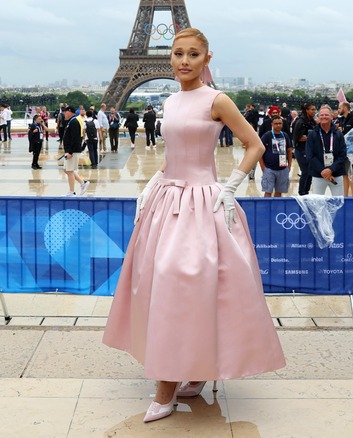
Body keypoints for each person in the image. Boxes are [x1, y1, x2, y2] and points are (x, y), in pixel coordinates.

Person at [102, 27, 285, 424]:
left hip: (203, 203)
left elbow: (255, 144)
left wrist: (231, 186)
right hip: (167, 200)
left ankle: (167, 386)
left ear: (207, 58)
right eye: (178, 53)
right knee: (166, 286)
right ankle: (192, 372)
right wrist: (153, 183)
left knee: (183, 287)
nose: (184, 61)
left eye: (193, 54)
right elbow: (173, 154)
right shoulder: (171, 100)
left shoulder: (217, 99)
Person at [305, 104, 347, 195]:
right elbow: (310, 155)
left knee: (338, 202)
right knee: (318, 204)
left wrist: (331, 169)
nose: (324, 117)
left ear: (332, 117)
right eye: (322, 115)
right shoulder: (312, 134)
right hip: (318, 174)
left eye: (326, 115)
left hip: (336, 174)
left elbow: (342, 155)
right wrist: (323, 171)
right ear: (318, 116)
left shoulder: (338, 134)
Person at [259, 115, 293, 197]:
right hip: (269, 168)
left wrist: (289, 166)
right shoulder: (267, 135)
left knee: (279, 192)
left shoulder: (285, 135)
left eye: (280, 123)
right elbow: (260, 151)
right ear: (272, 124)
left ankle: (276, 209)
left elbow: (289, 150)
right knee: (268, 191)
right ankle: (267, 208)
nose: (278, 125)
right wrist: (263, 167)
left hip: (282, 168)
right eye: (276, 123)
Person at [60, 105, 90, 196]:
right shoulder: (72, 121)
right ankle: (82, 182)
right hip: (70, 150)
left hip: (72, 151)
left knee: (69, 170)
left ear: (69, 112)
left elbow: (75, 138)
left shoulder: (74, 122)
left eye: (65, 112)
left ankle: (72, 191)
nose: (64, 113)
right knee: (67, 169)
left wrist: (70, 152)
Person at [291, 103, 317, 195]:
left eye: (315, 110)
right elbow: (298, 137)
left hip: (310, 150)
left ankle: (306, 191)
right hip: (301, 150)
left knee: (310, 172)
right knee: (305, 171)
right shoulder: (300, 122)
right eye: (312, 109)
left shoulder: (312, 122)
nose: (314, 111)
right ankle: (302, 192)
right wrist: (311, 137)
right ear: (307, 110)